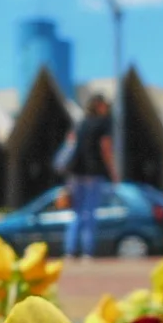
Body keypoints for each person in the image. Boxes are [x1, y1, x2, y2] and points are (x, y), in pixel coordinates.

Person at [62, 93, 117, 260]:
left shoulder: (80, 123)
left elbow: (70, 142)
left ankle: (70, 251)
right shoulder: (103, 123)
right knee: (90, 213)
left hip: (75, 173)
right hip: (93, 173)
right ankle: (87, 252)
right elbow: (106, 148)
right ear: (99, 105)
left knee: (77, 214)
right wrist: (113, 172)